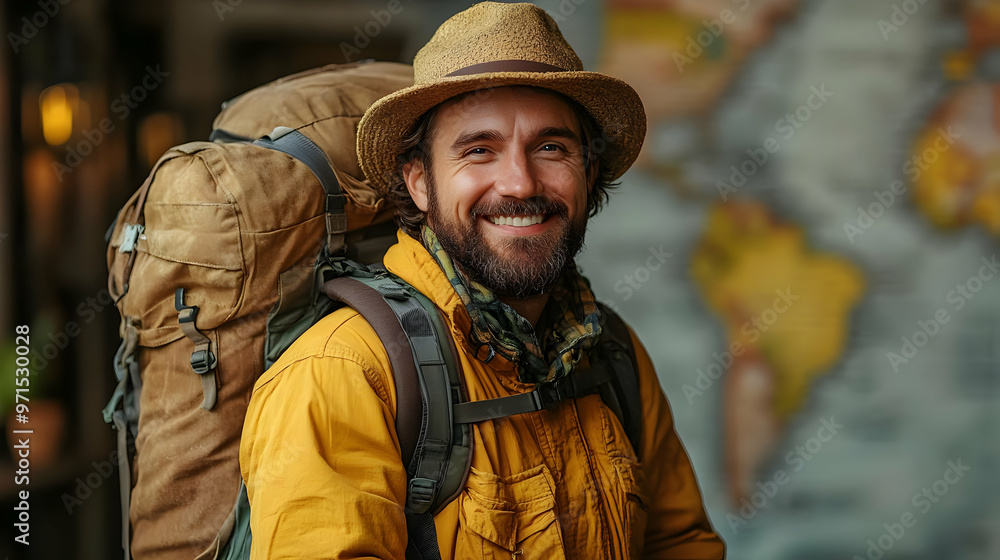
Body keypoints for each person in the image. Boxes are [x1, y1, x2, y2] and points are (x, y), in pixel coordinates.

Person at [239, 2, 725, 558]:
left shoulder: (612, 355)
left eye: (551, 147)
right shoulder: (343, 376)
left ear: (588, 174)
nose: (519, 183)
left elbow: (681, 544)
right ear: (420, 183)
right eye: (479, 151)